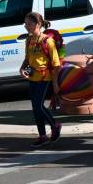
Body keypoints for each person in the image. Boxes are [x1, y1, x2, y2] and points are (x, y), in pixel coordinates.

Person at [19, 12, 62, 147]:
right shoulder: (29, 40)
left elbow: (56, 64)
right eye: (25, 24)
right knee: (35, 108)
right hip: (33, 77)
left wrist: (55, 83)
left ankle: (55, 125)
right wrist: (22, 68)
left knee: (39, 105)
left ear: (38, 24)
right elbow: (28, 58)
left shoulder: (48, 41)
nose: (27, 27)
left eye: (30, 24)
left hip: (45, 78)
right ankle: (42, 136)